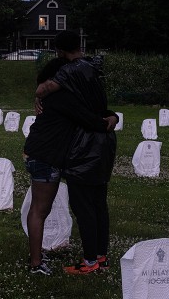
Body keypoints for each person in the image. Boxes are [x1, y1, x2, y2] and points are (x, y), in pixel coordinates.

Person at [24, 57, 117, 275]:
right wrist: (111, 118)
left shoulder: (59, 97)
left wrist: (112, 114)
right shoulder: (62, 98)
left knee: (40, 209)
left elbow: (87, 111)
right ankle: (36, 264)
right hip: (45, 156)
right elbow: (91, 120)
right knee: (40, 209)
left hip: (45, 155)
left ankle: (37, 256)